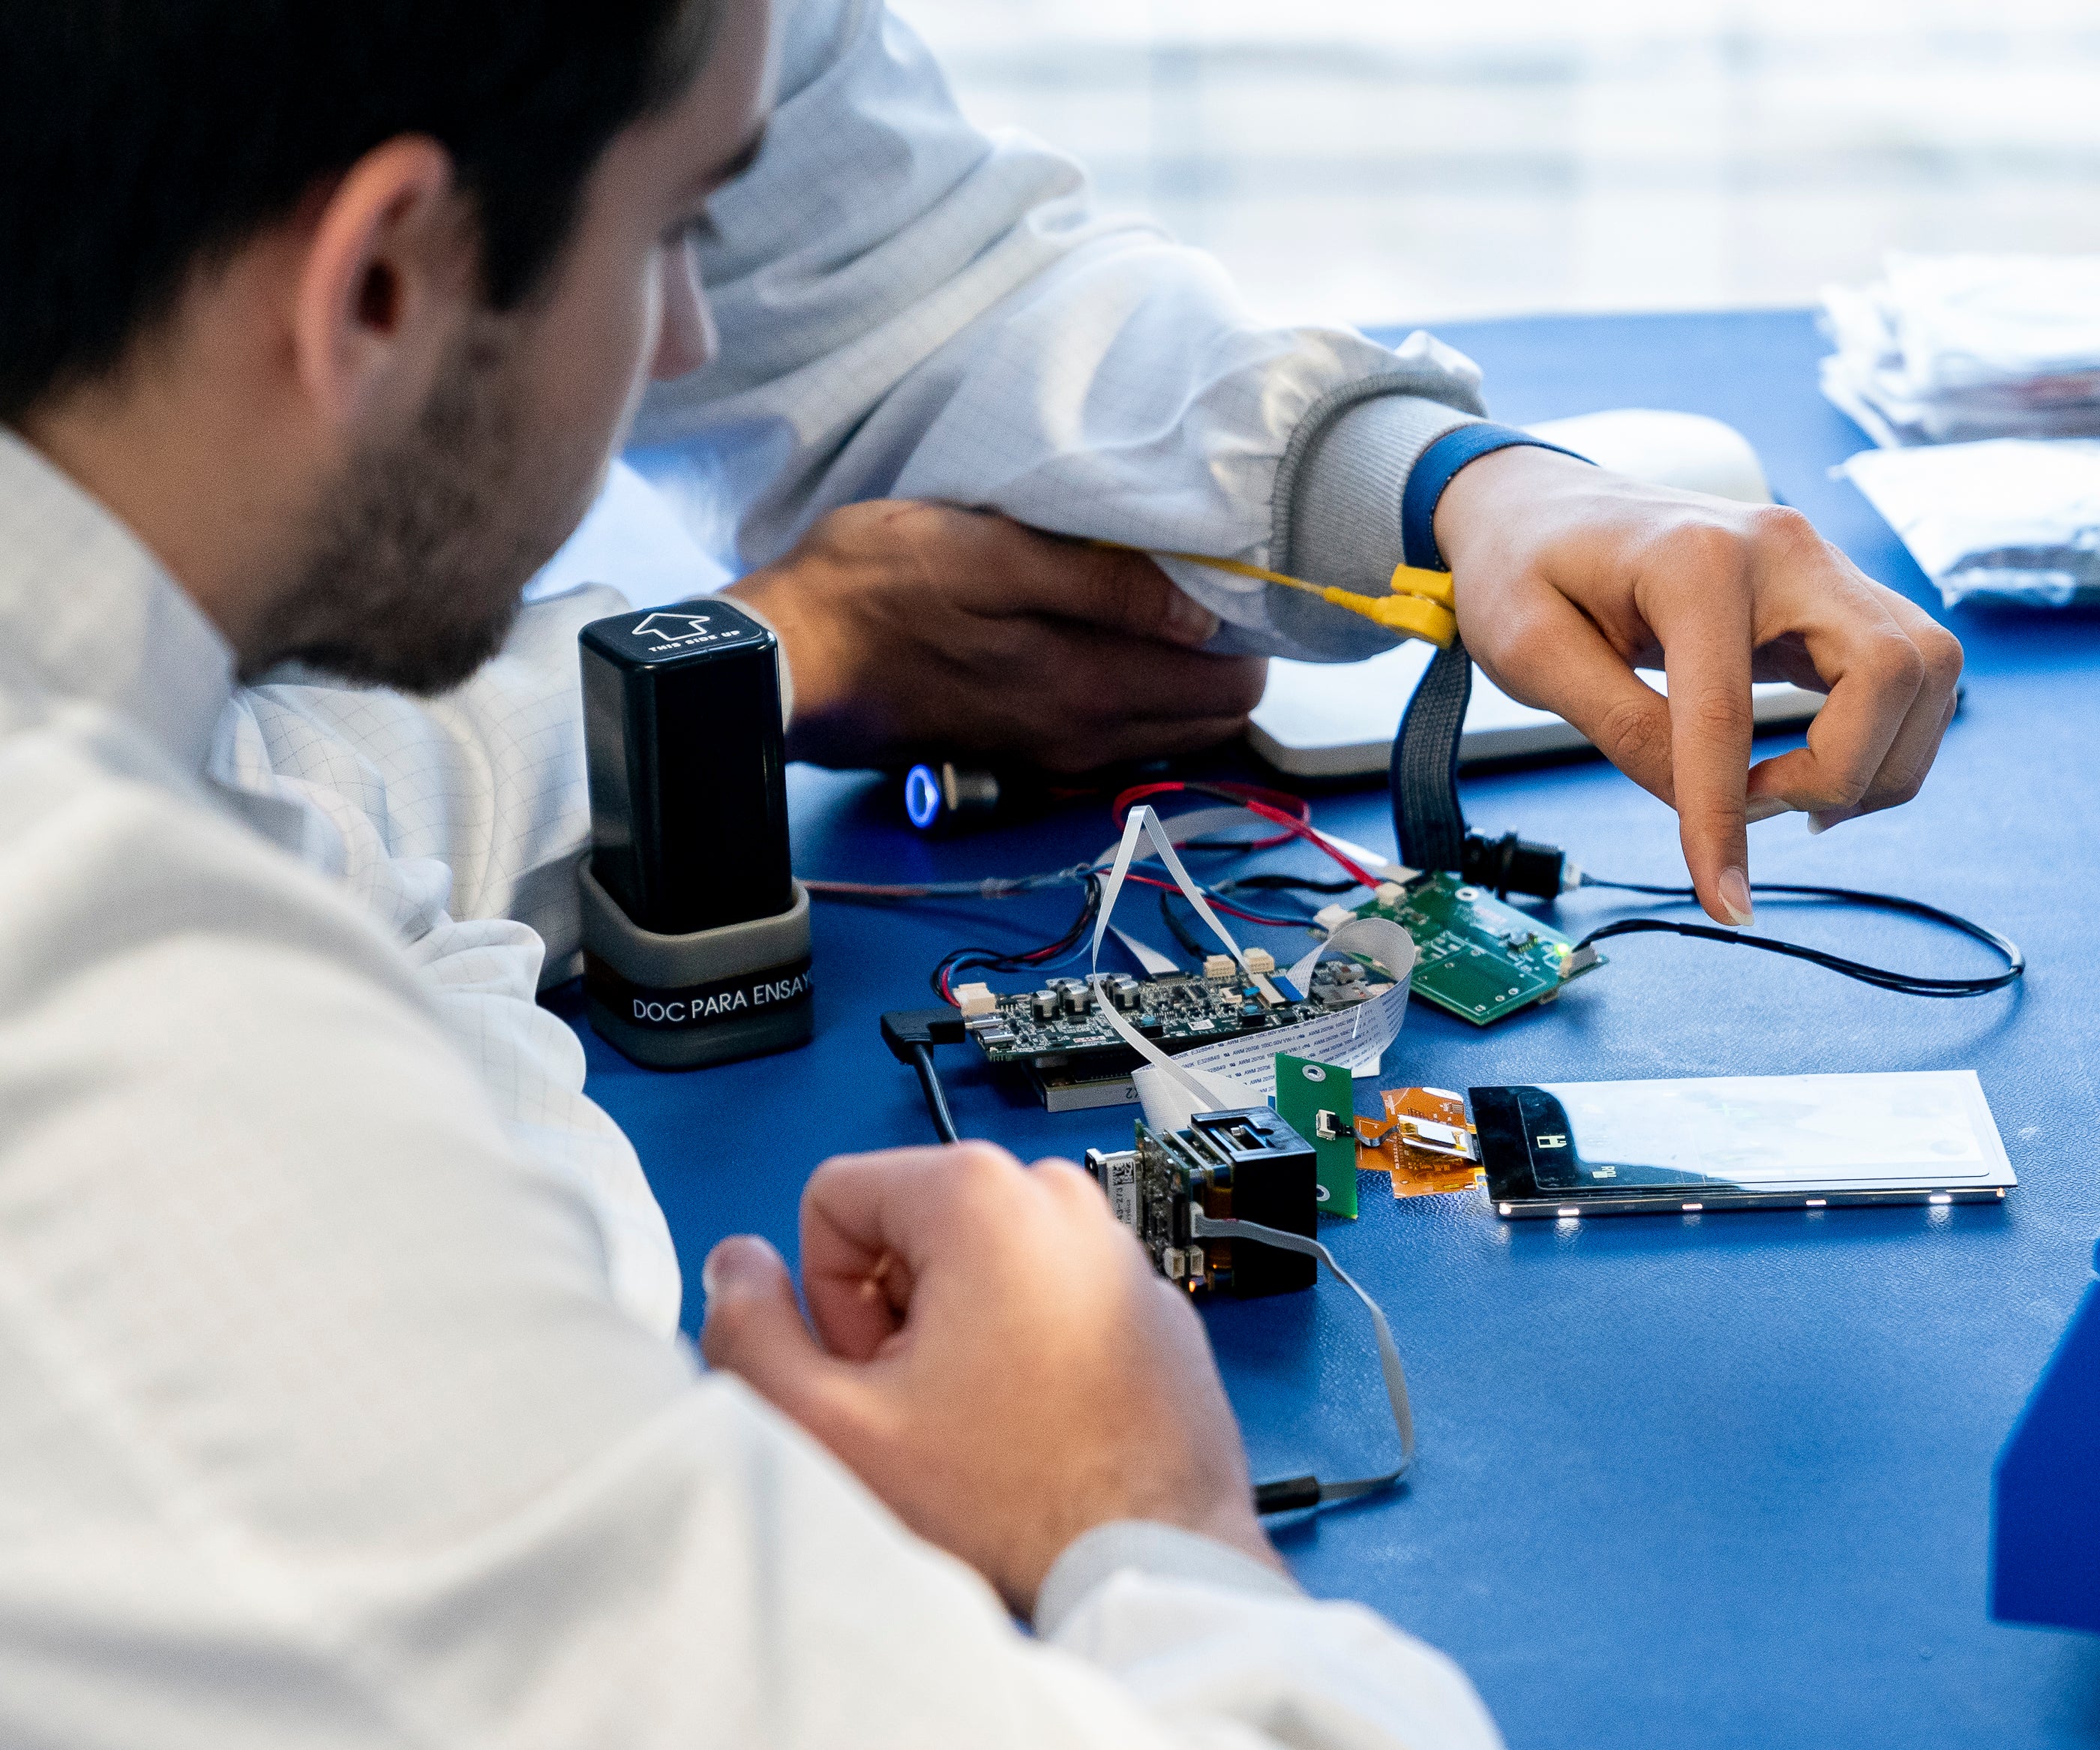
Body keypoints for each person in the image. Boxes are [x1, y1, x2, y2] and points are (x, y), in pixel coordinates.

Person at [0, 3, 1953, 1744]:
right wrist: (1140, 1521)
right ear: (375, 284)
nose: (691, 332)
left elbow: (885, 272)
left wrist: (1468, 490)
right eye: (674, 237)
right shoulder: (131, 1103)